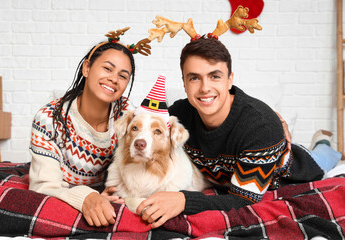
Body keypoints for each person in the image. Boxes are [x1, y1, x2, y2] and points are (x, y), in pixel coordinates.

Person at [136, 37, 343, 228]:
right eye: (194, 78)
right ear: (184, 83)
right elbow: (137, 134)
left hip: (294, 170)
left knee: (324, 158)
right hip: (228, 175)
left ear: (229, 80)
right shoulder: (177, 116)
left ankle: (323, 142)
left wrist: (184, 200)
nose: (205, 88)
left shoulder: (260, 126)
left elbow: (243, 199)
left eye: (214, 76)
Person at [29, 32, 137, 227]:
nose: (114, 79)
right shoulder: (48, 119)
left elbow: (134, 167)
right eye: (107, 68)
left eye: (123, 76)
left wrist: (114, 193)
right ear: (87, 68)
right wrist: (87, 198)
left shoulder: (128, 115)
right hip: (65, 193)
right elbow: (43, 185)